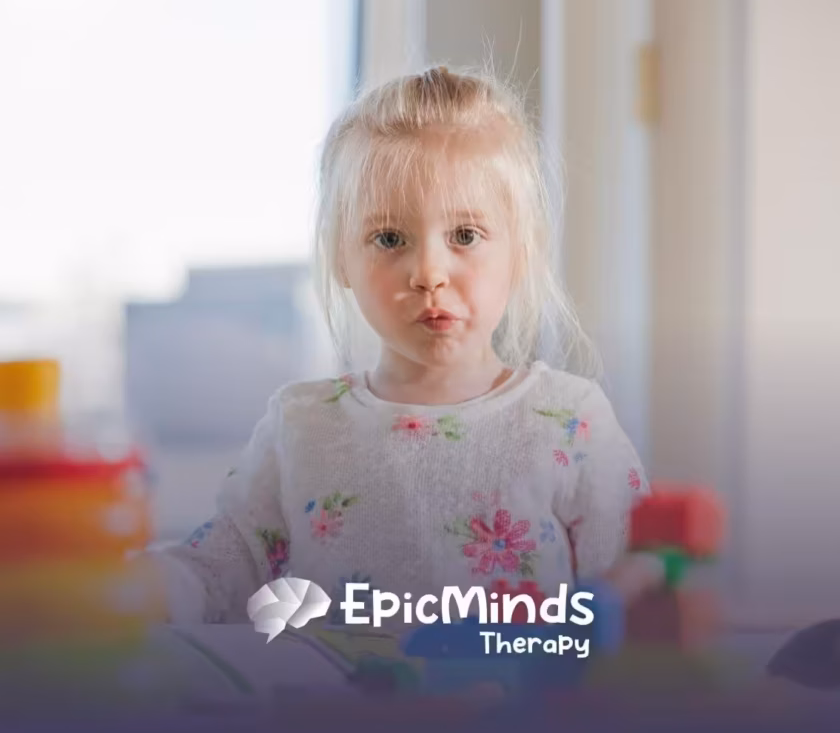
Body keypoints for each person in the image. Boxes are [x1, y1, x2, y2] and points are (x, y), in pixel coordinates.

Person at [148, 65, 649, 625]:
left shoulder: (571, 420)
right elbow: (219, 569)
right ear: (341, 257)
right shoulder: (302, 425)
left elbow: (633, 592)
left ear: (523, 250)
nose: (429, 272)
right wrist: (132, 588)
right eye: (389, 238)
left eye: (465, 236)